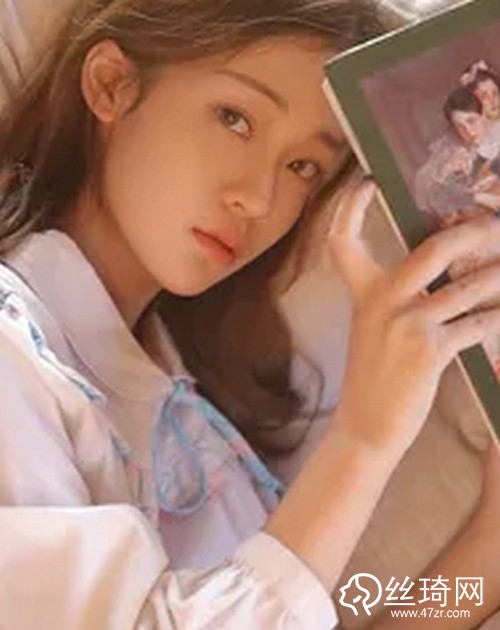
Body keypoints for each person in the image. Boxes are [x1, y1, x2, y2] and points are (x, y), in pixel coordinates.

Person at [0, 1, 499, 629]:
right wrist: (365, 440)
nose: (260, 198)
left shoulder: (197, 411)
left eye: (302, 167)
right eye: (234, 118)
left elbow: (311, 613)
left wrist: (487, 547)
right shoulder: (15, 359)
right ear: (112, 84)